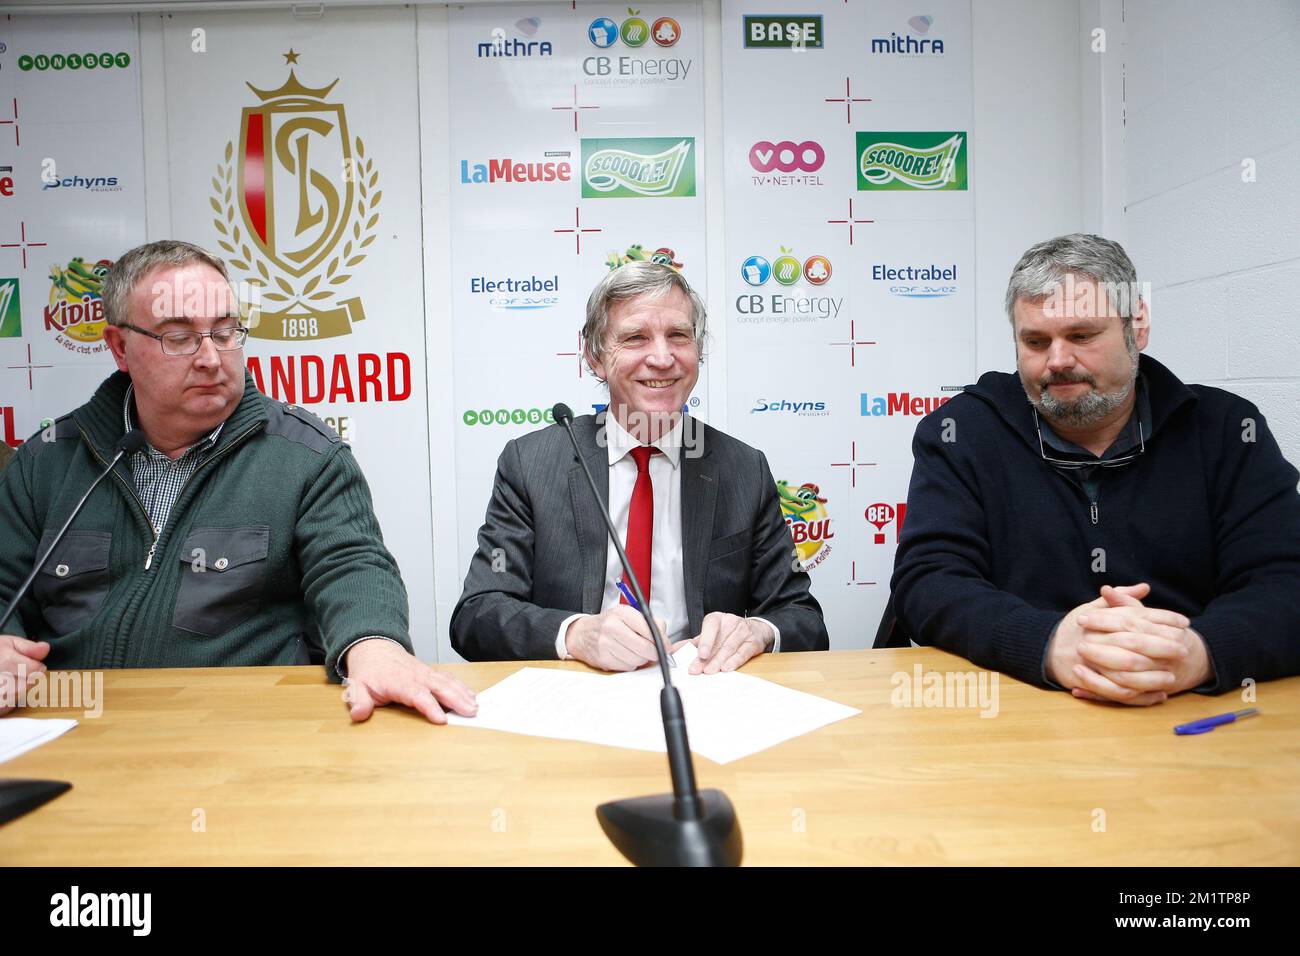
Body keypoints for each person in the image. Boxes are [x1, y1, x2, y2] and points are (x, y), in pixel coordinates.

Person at [0, 240, 475, 724]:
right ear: (120, 348)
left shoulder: (305, 456)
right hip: (73, 730)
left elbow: (351, 566)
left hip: (242, 729)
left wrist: (373, 644)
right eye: (179, 337)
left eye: (225, 332)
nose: (210, 357)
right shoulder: (47, 460)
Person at [890, 233, 1300, 704]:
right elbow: (928, 582)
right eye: (1036, 341)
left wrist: (1197, 652)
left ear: (1137, 326)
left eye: (1082, 335)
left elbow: (1286, 580)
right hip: (1021, 711)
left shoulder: (1227, 429)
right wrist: (1048, 643)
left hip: (1192, 711)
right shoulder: (961, 431)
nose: (1058, 361)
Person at [452, 261, 828, 672]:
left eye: (679, 336)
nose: (663, 358)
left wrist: (757, 631)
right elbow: (478, 614)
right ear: (594, 357)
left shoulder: (743, 470)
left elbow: (804, 619)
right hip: (577, 698)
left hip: (704, 697)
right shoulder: (531, 465)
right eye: (635, 338)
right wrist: (577, 634)